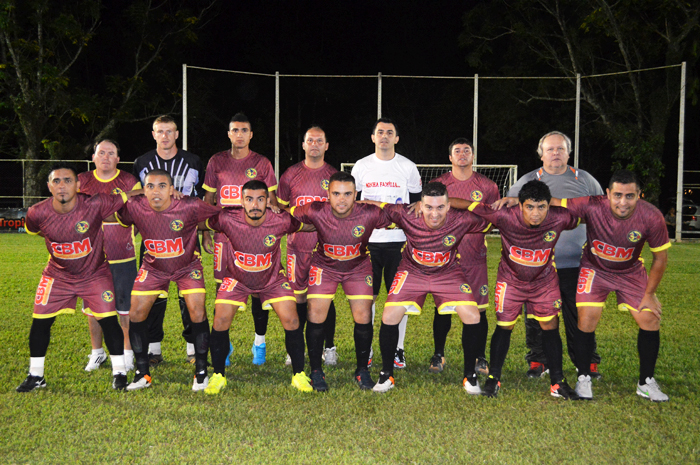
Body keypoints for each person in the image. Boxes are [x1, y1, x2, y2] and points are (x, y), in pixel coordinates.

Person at [18, 163, 132, 392]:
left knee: (109, 320)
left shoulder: (95, 203)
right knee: (40, 321)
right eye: (56, 181)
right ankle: (36, 375)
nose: (62, 186)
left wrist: (161, 190)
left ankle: (119, 372)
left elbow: (127, 196)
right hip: (57, 274)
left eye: (68, 180)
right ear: (49, 186)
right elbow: (35, 229)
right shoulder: (36, 212)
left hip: (94, 274)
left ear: (78, 185)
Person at [560, 170, 671, 401]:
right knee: (587, 317)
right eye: (618, 195)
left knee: (649, 318)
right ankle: (583, 378)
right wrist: (517, 200)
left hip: (630, 272)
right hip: (595, 269)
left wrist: (650, 294)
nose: (623, 202)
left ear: (639, 195)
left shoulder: (652, 216)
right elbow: (553, 201)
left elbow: (660, 258)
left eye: (630, 196)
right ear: (607, 193)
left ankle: (645, 382)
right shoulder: (591, 205)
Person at [370, 182, 490, 394]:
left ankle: (470, 376)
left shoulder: (461, 219)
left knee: (472, 316)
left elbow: (493, 215)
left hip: (448, 271)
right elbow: (377, 204)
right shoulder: (407, 214)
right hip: (412, 271)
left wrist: (471, 205)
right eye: (429, 207)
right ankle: (386, 374)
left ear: (449, 206)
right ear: (421, 205)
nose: (434, 214)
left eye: (440, 207)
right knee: (389, 316)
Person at [202, 180, 315, 394]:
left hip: (272, 279)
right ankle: (218, 375)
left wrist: (335, 221)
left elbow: (307, 225)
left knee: (292, 318)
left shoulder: (280, 220)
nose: (255, 204)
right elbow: (197, 222)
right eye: (250, 199)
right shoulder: (227, 218)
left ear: (267, 201)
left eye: (261, 199)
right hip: (237, 279)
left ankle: (299, 374)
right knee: (220, 317)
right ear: (241, 201)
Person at [470, 180, 580, 399]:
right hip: (511, 281)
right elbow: (469, 206)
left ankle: (557, 382)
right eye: (530, 206)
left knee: (550, 326)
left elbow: (589, 212)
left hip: (544, 281)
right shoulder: (505, 216)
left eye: (541, 207)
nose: (536, 213)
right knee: (504, 326)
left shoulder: (561, 217)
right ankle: (494, 378)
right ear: (519, 206)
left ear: (550, 206)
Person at [507, 131, 604, 379]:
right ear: (541, 155)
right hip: (538, 265)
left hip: (577, 263)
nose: (555, 154)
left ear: (568, 153)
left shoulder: (585, 179)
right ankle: (538, 361)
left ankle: (586, 361)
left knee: (580, 313)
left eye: (560, 149)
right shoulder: (527, 181)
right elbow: (511, 213)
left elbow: (602, 214)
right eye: (550, 149)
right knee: (537, 313)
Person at [115, 170, 220, 391]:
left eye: (162, 186)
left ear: (172, 190)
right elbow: (111, 214)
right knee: (135, 313)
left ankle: (201, 372)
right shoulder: (135, 206)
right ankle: (142, 373)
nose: (156, 191)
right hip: (153, 268)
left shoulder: (190, 205)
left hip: (187, 266)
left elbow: (219, 214)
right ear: (143, 190)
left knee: (197, 310)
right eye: (150, 186)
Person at [291, 171, 391, 391]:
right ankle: (316, 371)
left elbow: (398, 214)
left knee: (363, 316)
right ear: (328, 194)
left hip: (358, 266)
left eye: (347, 194)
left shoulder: (369, 213)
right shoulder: (315, 209)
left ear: (356, 194)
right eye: (336, 193)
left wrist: (420, 207)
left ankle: (362, 370)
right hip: (325, 266)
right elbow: (286, 216)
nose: (342, 199)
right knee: (315, 314)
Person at [202, 112, 279, 366]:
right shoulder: (217, 162)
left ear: (251, 134)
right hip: (225, 238)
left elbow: (272, 201)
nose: (239, 135)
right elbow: (209, 202)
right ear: (228, 134)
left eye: (244, 130)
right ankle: (223, 344)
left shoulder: (263, 163)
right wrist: (205, 231)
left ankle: (259, 342)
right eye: (234, 130)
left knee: (258, 291)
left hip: (256, 237)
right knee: (221, 289)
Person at [351, 118, 422, 368]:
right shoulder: (361, 167)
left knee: (398, 299)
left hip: (399, 243)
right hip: (368, 243)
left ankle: (398, 349)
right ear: (372, 138)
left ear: (396, 138)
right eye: (380, 132)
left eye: (389, 132)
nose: (384, 136)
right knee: (366, 299)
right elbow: (352, 202)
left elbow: (416, 204)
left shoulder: (408, 167)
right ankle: (368, 348)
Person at [133, 115, 204, 366]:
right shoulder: (142, 163)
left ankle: (193, 349)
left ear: (176, 134)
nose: (164, 135)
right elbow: (134, 197)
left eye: (169, 131)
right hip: (154, 239)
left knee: (189, 296)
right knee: (154, 294)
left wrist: (204, 233)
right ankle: (153, 349)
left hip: (186, 239)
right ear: (153, 134)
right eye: (159, 131)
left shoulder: (193, 161)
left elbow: (200, 199)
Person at [429, 138, 500, 375]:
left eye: (466, 151)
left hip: (474, 257)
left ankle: (480, 357)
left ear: (473, 156)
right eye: (457, 151)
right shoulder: (438, 184)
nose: (462, 154)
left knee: (479, 309)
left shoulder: (488, 186)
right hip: (445, 257)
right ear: (450, 157)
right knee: (443, 309)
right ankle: (438, 354)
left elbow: (493, 219)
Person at [278, 126, 339, 366]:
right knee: (298, 299)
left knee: (325, 299)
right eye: (310, 140)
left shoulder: (333, 175)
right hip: (297, 248)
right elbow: (282, 212)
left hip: (326, 249)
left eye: (319, 140)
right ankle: (296, 348)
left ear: (326, 145)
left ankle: (330, 347)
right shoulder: (290, 175)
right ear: (303, 145)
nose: (314, 144)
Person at [78, 139, 141, 373]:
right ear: (93, 157)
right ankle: (97, 353)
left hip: (122, 256)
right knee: (94, 308)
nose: (105, 157)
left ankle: (127, 353)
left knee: (125, 308)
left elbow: (132, 213)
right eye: (101, 152)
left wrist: (102, 213)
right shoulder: (82, 181)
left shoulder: (128, 181)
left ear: (117, 158)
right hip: (90, 259)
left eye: (110, 153)